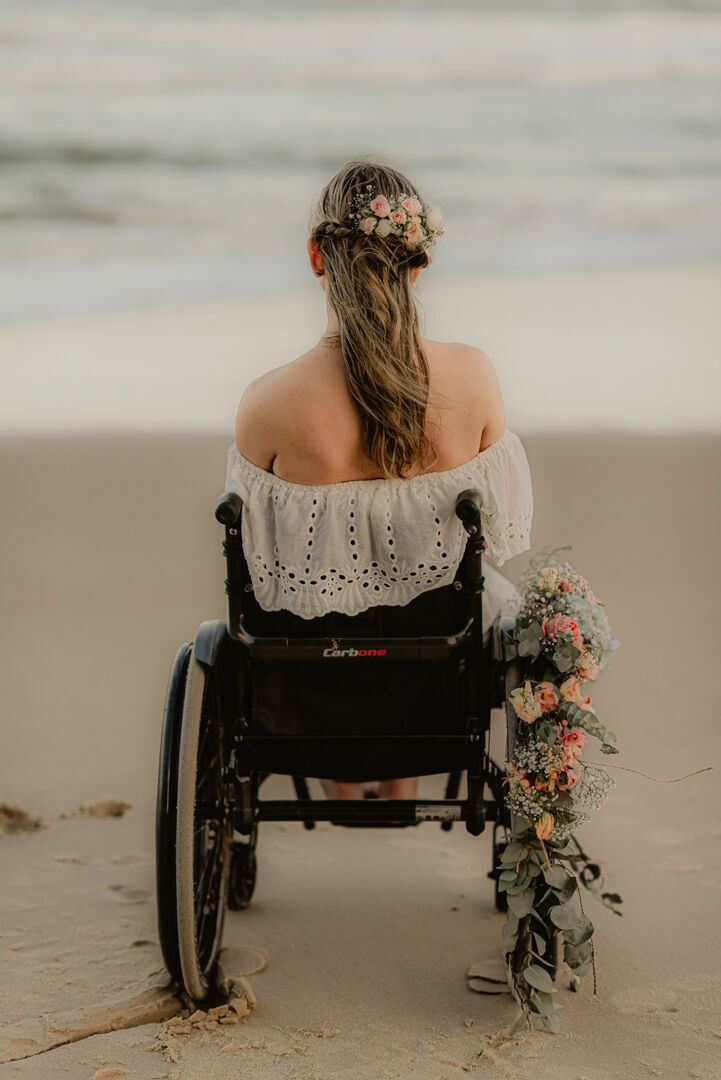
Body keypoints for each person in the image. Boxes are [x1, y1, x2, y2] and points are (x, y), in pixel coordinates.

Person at [224, 157, 533, 802]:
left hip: (309, 701)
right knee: (471, 592)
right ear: (420, 260)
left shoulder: (267, 403)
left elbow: (261, 563)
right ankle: (401, 776)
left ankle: (339, 776)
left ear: (317, 256)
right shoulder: (473, 378)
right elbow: (494, 536)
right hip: (436, 701)